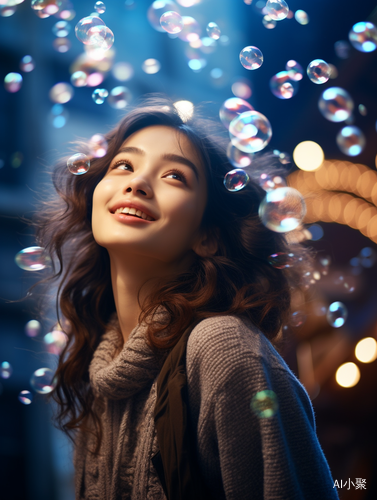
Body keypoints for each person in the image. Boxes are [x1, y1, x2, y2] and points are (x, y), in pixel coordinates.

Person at [35, 96, 339, 499]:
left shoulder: (223, 350)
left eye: (175, 176)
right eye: (124, 164)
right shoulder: (100, 374)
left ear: (207, 236)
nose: (137, 182)